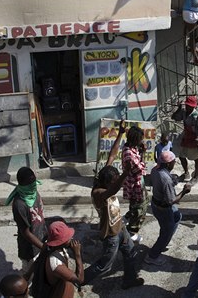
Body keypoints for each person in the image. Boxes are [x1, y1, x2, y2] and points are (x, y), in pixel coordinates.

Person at [84, 120, 144, 290]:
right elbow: (114, 189)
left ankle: (129, 280)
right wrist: (126, 171)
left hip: (120, 228)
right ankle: (79, 280)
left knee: (131, 253)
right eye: (114, 181)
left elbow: (112, 154)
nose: (116, 182)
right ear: (107, 183)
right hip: (110, 234)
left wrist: (120, 134)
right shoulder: (99, 194)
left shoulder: (105, 174)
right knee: (105, 265)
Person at [144, 151, 192, 265]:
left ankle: (165, 238)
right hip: (164, 208)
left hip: (156, 204)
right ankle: (152, 256)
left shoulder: (155, 169)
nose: (175, 163)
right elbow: (172, 201)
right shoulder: (166, 179)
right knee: (166, 231)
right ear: (169, 163)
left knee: (177, 216)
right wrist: (184, 191)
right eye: (174, 161)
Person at [5, 167, 46, 273]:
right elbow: (26, 232)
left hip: (41, 240)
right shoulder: (19, 205)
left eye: (34, 182)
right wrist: (44, 248)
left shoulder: (34, 193)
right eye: (30, 184)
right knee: (29, 275)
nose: (34, 187)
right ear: (22, 185)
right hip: (30, 249)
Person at [31, 221, 84, 298]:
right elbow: (79, 280)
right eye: (68, 237)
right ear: (61, 241)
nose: (71, 238)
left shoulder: (50, 246)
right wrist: (77, 255)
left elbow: (38, 260)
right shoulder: (56, 265)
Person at [171, 95, 198, 181]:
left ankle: (196, 176)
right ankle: (186, 173)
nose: (188, 107)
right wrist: (179, 108)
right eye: (187, 105)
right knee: (181, 156)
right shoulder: (184, 112)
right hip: (186, 138)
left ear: (194, 106)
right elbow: (174, 117)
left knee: (196, 159)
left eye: (190, 106)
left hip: (194, 140)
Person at [121, 125, 148, 242]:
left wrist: (141, 151)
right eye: (140, 139)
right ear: (135, 140)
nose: (142, 141)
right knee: (138, 209)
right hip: (135, 185)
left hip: (138, 183)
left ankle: (127, 219)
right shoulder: (129, 154)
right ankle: (131, 233)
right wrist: (143, 154)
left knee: (141, 205)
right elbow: (141, 169)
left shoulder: (132, 148)